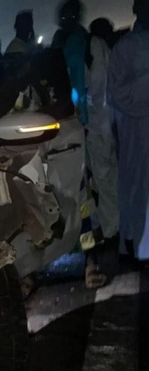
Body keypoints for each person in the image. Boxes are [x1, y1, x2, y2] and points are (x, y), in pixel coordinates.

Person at [108, 0, 149, 261]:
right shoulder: (125, 48)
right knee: (137, 189)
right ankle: (137, 246)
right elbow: (117, 93)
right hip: (138, 132)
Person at [86, 18, 119, 242]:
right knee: (105, 180)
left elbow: (96, 87)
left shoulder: (97, 48)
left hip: (99, 126)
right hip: (104, 125)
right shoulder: (102, 48)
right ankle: (109, 227)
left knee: (103, 180)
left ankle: (110, 230)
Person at [52, 0, 89, 125]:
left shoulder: (82, 39)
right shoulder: (59, 38)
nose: (66, 20)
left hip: (80, 98)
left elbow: (78, 72)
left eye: (71, 16)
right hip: (63, 98)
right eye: (64, 17)